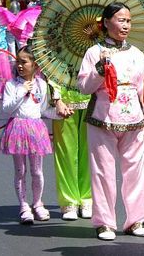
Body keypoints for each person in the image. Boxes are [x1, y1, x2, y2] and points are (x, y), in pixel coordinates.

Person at [77, 2, 144, 241]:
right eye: (120, 20)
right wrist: (100, 69)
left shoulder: (137, 53)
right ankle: (104, 222)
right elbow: (84, 87)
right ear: (106, 23)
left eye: (128, 21)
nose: (125, 25)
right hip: (103, 116)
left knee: (136, 170)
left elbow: (143, 88)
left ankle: (135, 219)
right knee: (103, 171)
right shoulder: (94, 52)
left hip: (133, 118)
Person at [0, 47, 55, 224]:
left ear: (35, 65)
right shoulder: (11, 85)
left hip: (36, 128)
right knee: (20, 171)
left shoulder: (42, 84)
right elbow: (7, 109)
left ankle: (38, 203)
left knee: (37, 171)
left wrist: (60, 113)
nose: (20, 65)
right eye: (18, 61)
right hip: (17, 127)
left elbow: (44, 109)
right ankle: (24, 205)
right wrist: (22, 91)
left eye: (24, 62)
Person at [49, 83, 93, 221]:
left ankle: (87, 198)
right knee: (65, 153)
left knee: (90, 152)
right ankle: (69, 201)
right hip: (65, 101)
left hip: (92, 100)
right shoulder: (57, 59)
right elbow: (51, 72)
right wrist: (57, 100)